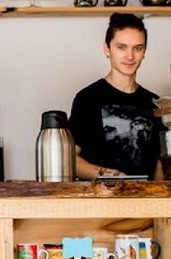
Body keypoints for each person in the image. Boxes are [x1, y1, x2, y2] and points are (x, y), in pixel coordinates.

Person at [69, 12, 162, 180]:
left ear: (144, 52)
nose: (130, 56)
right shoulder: (87, 99)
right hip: (100, 202)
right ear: (107, 48)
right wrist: (111, 176)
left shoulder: (156, 103)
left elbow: (159, 165)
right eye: (122, 47)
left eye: (137, 48)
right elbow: (70, 161)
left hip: (146, 202)